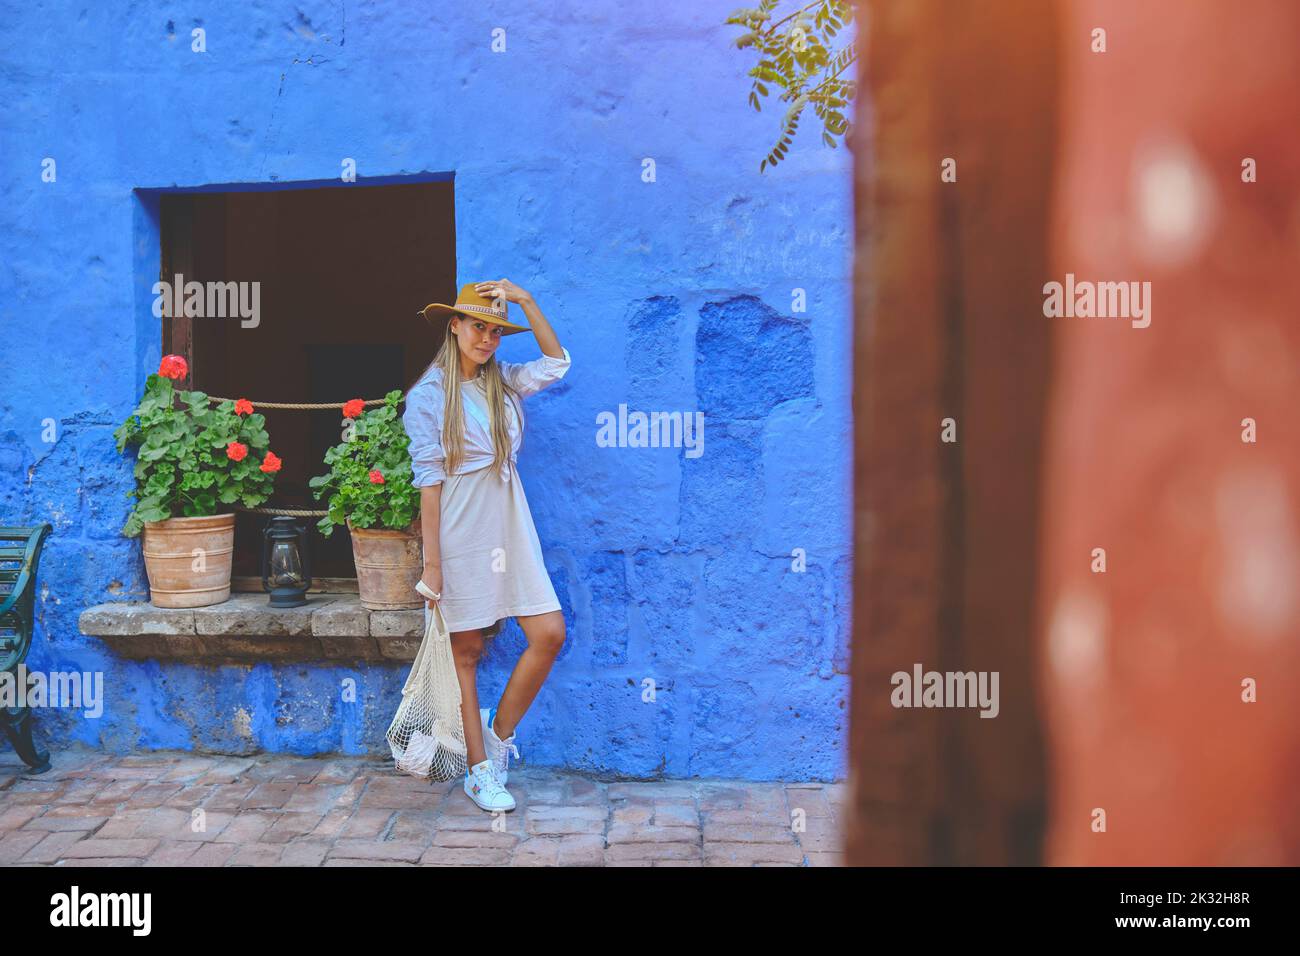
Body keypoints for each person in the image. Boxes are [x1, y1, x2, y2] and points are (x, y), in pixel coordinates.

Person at [401, 279, 571, 813]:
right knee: (467, 652)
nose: (488, 338)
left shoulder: (503, 383)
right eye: (479, 326)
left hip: (510, 523)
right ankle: (478, 771)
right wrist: (434, 565)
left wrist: (525, 302)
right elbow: (429, 484)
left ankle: (496, 745)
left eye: (497, 330)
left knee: (548, 633)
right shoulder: (428, 397)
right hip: (461, 528)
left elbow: (556, 362)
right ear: (454, 325)